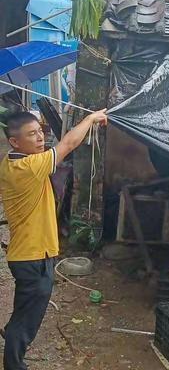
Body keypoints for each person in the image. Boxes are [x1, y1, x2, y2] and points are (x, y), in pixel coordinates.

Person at [0, 109, 107, 370]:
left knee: (26, 311)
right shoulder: (26, 167)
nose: (40, 139)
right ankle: (14, 362)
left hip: (34, 253)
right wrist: (90, 119)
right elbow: (68, 144)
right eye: (32, 135)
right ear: (15, 142)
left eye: (40, 131)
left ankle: (14, 332)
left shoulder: (13, 160)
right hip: (32, 256)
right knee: (27, 319)